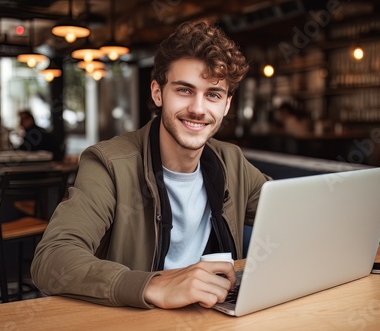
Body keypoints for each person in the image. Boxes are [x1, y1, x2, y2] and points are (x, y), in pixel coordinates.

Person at [31, 20, 271, 310]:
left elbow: (293, 213)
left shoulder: (231, 161)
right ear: (158, 93)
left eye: (213, 95)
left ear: (227, 105)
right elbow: (52, 258)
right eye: (184, 90)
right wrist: (152, 284)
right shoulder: (108, 163)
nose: (198, 108)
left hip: (212, 316)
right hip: (135, 321)